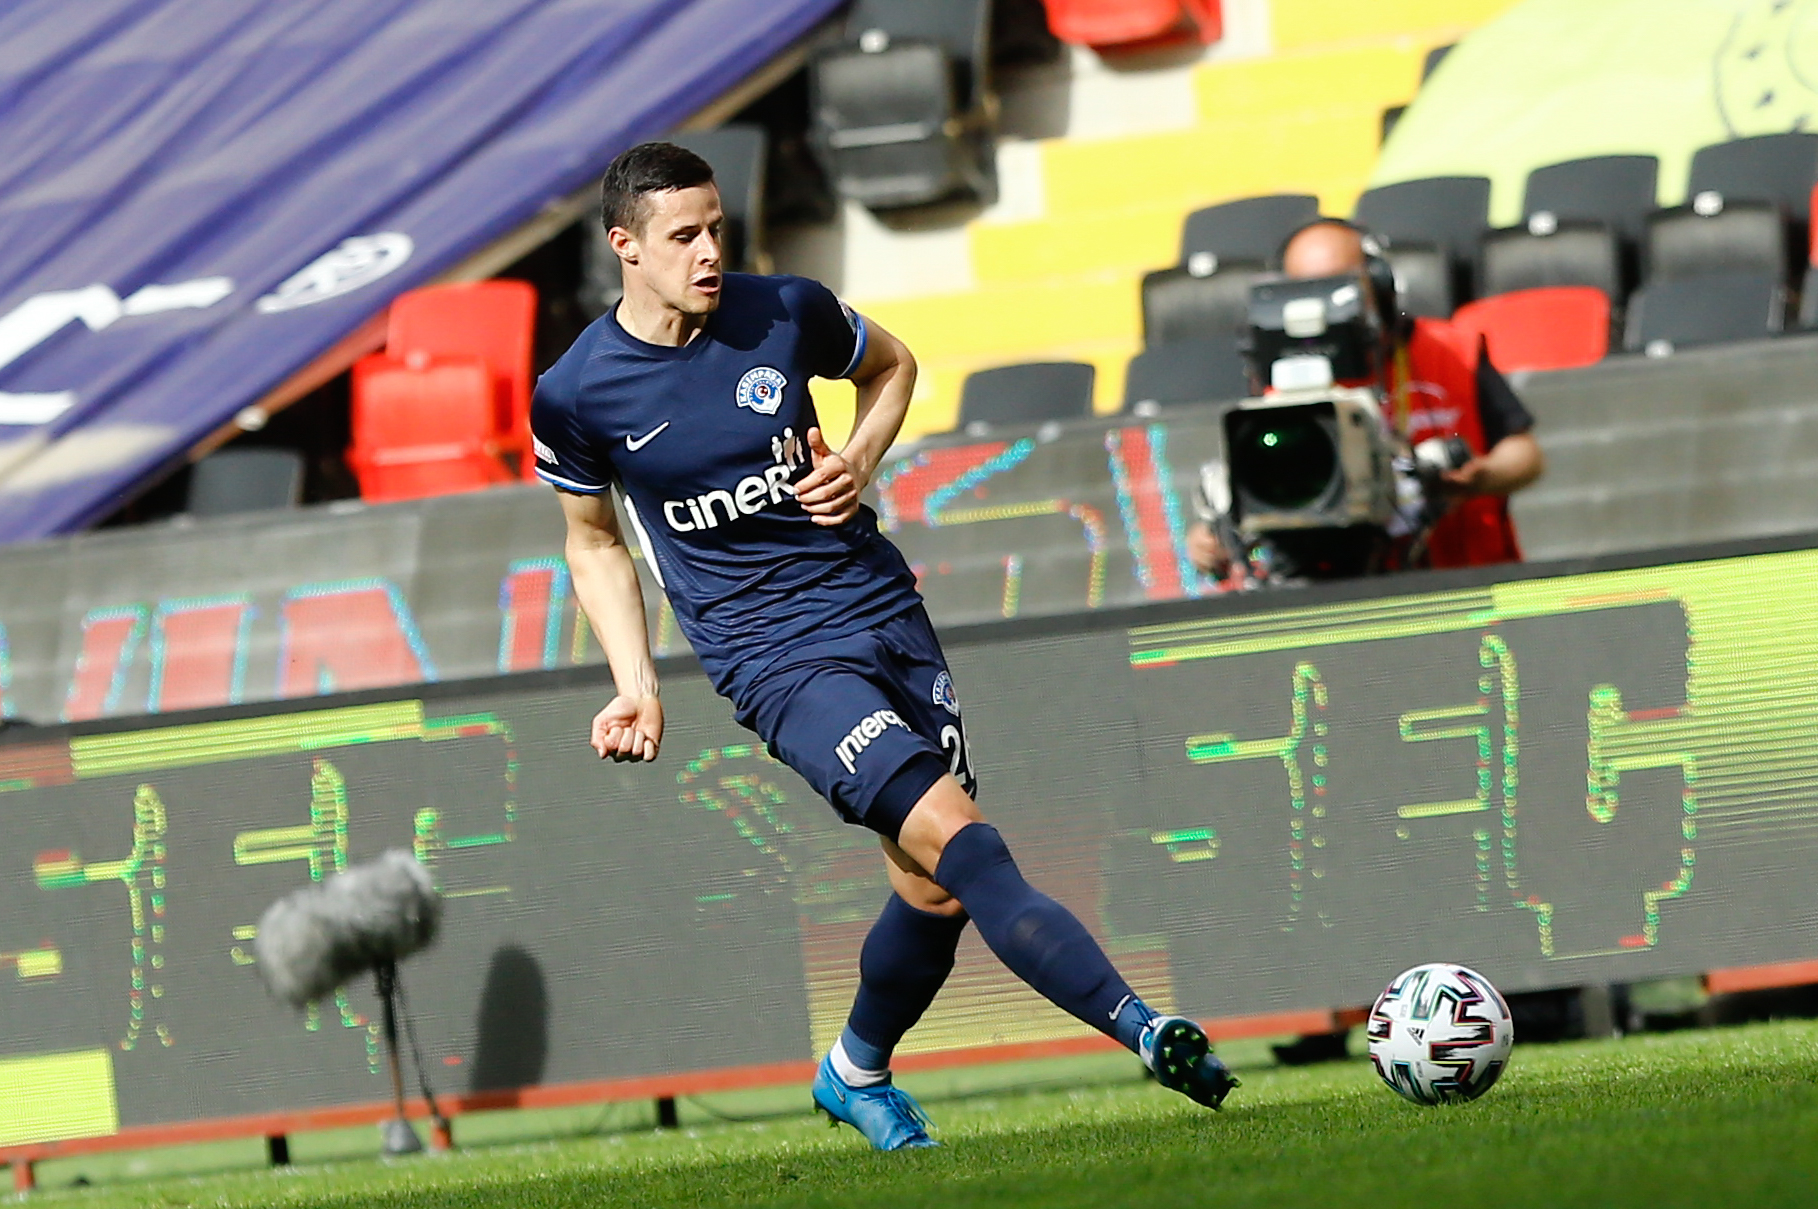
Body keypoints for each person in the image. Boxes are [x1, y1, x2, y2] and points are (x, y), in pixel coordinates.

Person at [532, 143, 1238, 1151]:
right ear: (625, 247)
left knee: (933, 887)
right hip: (774, 660)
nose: (709, 252)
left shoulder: (786, 310)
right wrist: (637, 684)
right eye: (684, 235)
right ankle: (1145, 1027)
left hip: (880, 609)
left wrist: (858, 458)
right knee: (964, 838)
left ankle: (855, 1070)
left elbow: (893, 365)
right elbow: (594, 541)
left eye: (717, 228)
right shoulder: (577, 391)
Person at [1187, 218, 1545, 579]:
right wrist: (1213, 539)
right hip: (1344, 589)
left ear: (1380, 284)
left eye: (1340, 288)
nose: (1325, 305)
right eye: (1309, 291)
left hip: (1466, 578)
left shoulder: (1452, 351)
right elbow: (1262, 495)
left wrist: (1479, 478)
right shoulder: (1281, 381)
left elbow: (1525, 454)